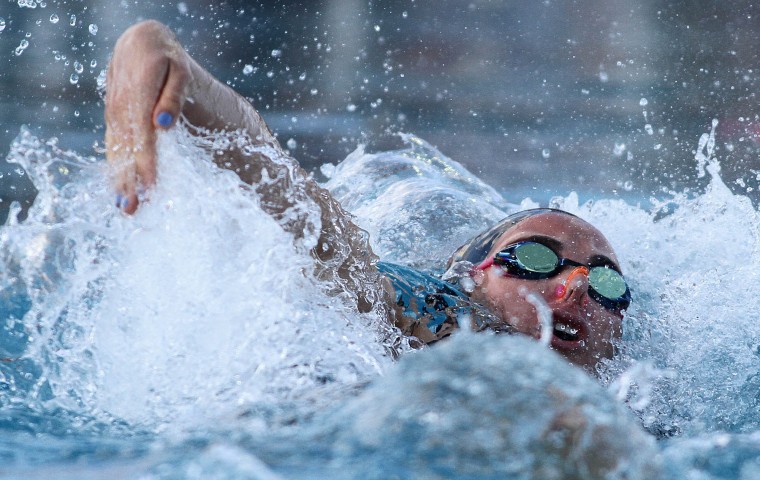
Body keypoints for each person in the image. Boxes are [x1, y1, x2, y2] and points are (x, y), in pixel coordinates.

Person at [105, 20, 630, 374]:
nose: (575, 286)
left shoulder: (650, 399)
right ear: (472, 276)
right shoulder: (442, 323)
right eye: (537, 258)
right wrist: (182, 76)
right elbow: (322, 238)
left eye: (607, 281)